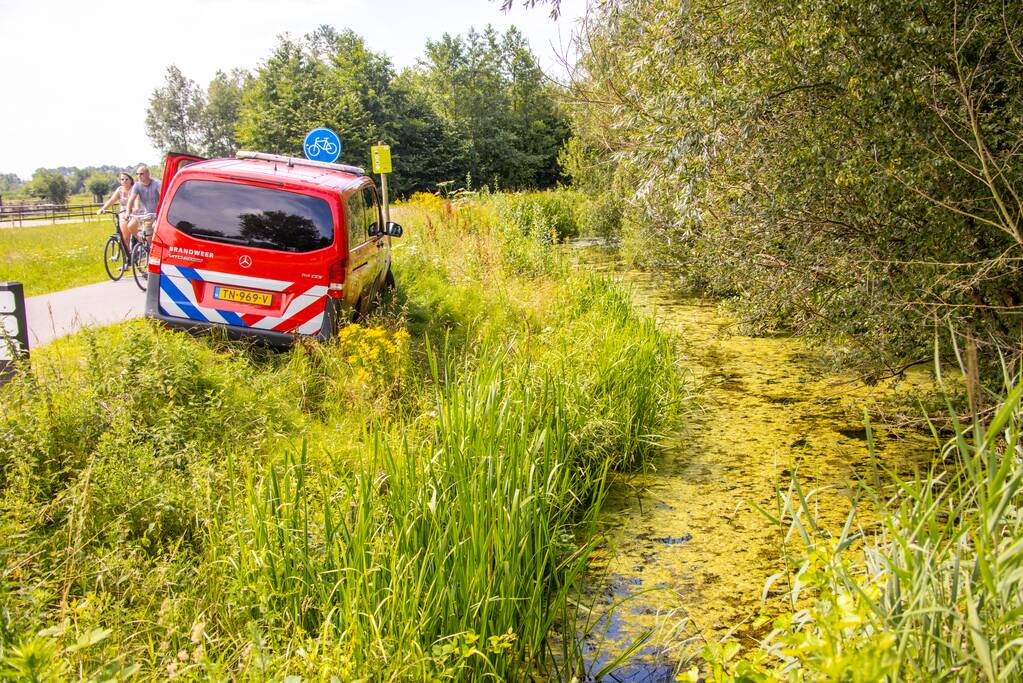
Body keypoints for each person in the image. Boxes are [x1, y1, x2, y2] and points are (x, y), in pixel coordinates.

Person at [97, 172, 140, 246]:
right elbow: (112, 200)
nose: (124, 181)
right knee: (125, 237)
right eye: (122, 179)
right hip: (123, 213)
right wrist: (102, 209)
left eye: (126, 179)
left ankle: (140, 247)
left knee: (135, 233)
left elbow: (137, 200)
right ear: (120, 181)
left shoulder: (134, 189)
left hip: (134, 213)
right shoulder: (119, 190)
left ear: (130, 180)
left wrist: (136, 208)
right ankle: (129, 255)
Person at [124, 165, 162, 241]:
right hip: (144, 214)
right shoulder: (137, 185)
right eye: (137, 174)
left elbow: (163, 197)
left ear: (148, 174)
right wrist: (128, 212)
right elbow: (131, 200)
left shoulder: (157, 183)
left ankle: (149, 250)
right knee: (131, 226)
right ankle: (141, 243)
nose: (139, 176)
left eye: (141, 174)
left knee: (149, 236)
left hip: (156, 214)